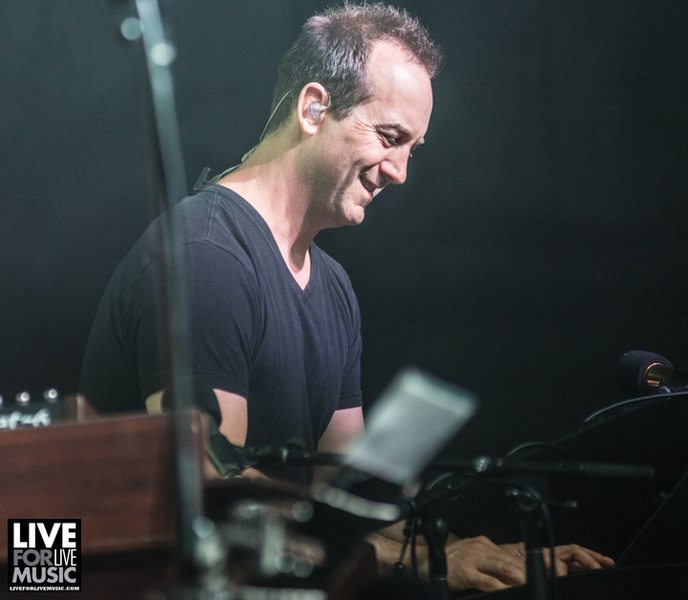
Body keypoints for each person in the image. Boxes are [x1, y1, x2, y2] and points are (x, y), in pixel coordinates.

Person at [80, 3, 613, 592]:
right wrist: (425, 560)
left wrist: (464, 552)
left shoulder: (332, 286)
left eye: (413, 148)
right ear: (313, 108)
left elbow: (344, 501)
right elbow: (217, 488)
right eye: (390, 137)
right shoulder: (208, 257)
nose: (400, 171)